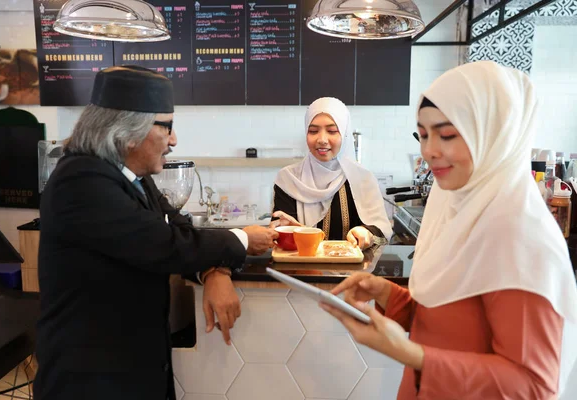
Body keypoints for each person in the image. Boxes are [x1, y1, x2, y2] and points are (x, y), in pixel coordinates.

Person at [321, 61, 577, 399]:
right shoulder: (457, 207)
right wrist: (386, 293)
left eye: (447, 135)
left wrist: (411, 354)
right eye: (423, 135)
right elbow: (451, 317)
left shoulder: (519, 235)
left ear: (493, 133)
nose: (429, 151)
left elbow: (533, 387)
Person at [34, 66, 278, 400]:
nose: (173, 140)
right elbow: (163, 245)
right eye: (167, 127)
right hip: (92, 380)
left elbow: (178, 227)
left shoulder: (130, 173)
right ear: (128, 131)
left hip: (134, 369)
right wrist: (243, 239)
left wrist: (212, 270)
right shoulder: (81, 181)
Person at [270, 97, 392, 249]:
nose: (322, 139)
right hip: (299, 270)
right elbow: (281, 230)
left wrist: (366, 233)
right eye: (313, 131)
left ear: (345, 134)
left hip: (351, 271)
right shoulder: (289, 178)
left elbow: (381, 230)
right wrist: (286, 233)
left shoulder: (362, 179)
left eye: (332, 131)